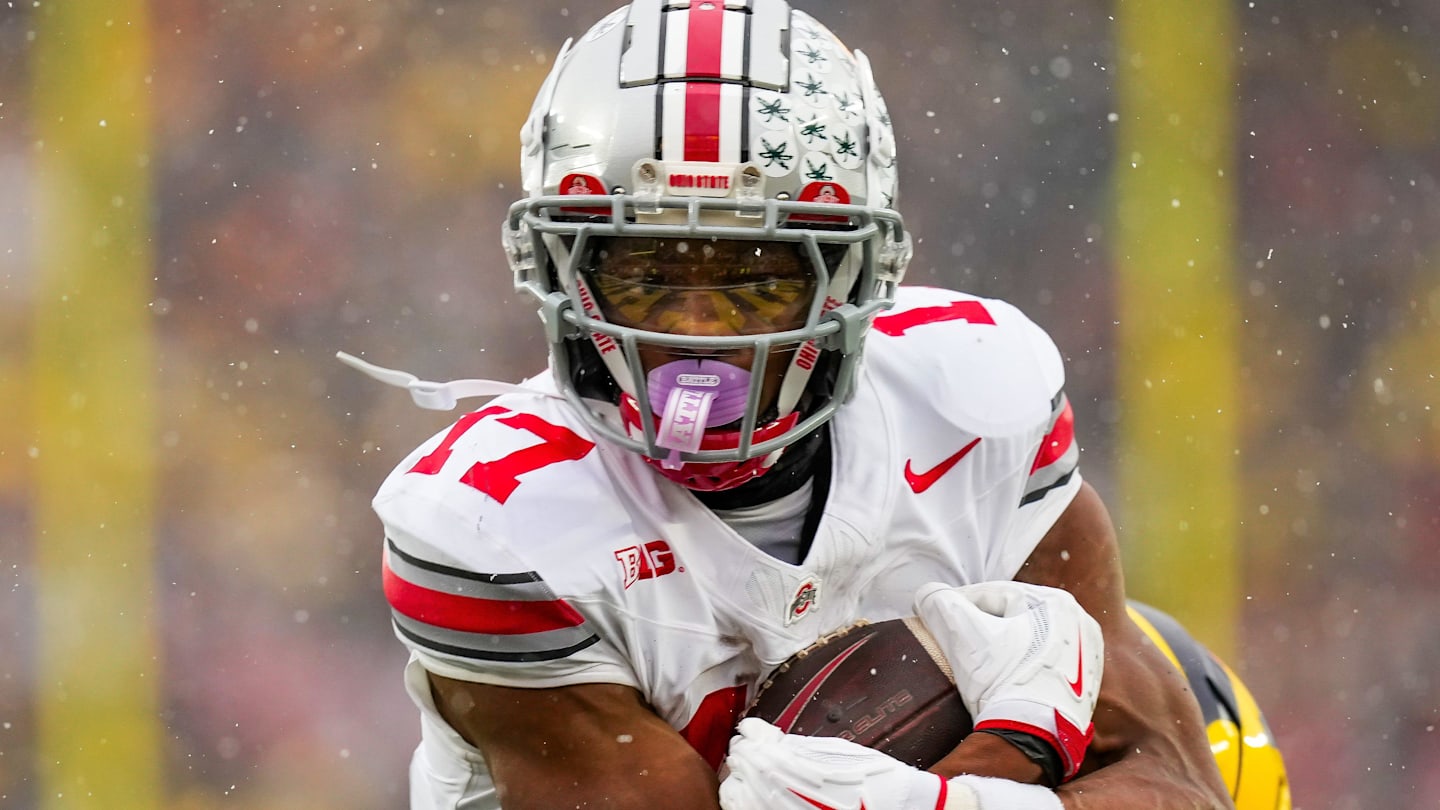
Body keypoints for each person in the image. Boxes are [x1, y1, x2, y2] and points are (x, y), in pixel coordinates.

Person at [348, 2, 1289, 808]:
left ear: (854, 275)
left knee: (1199, 703)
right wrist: (1002, 763)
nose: (701, 331)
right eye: (646, 274)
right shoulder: (492, 528)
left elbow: (1167, 772)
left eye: (756, 276)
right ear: (559, 269)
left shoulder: (977, 395)